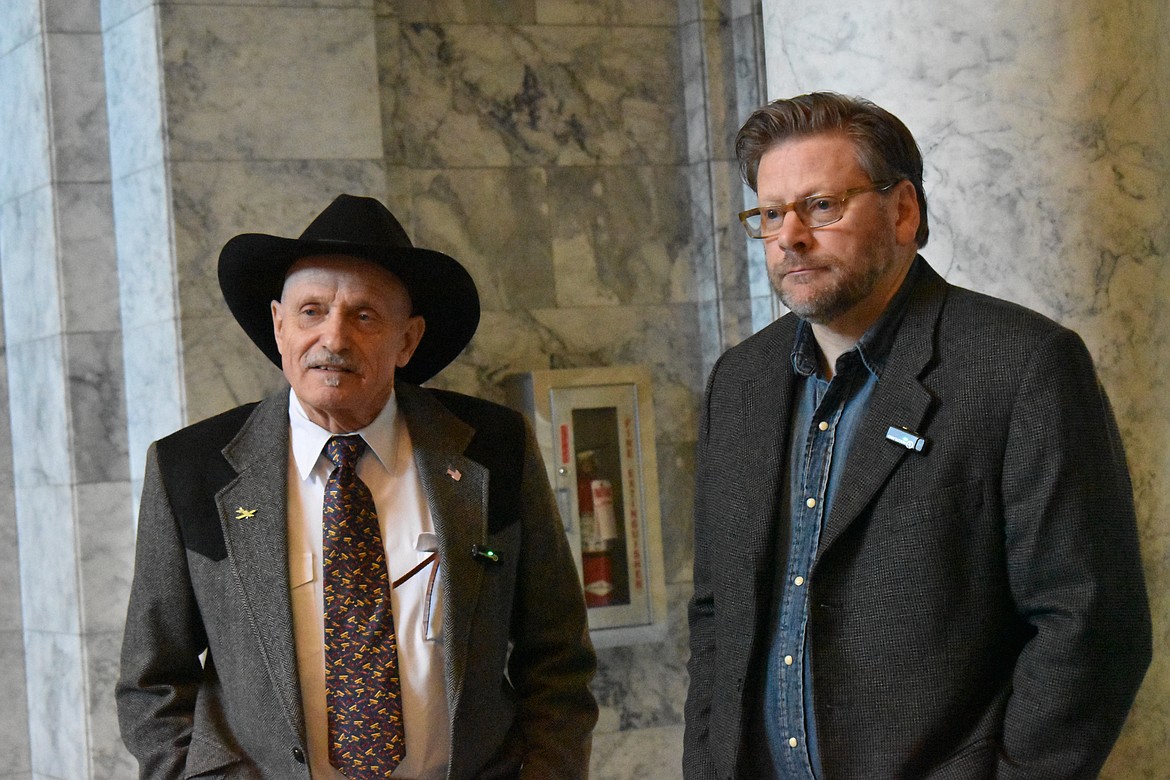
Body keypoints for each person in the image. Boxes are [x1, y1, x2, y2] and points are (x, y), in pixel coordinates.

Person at [683, 92, 1151, 779]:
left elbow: (1090, 624)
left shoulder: (1022, 366)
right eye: (770, 213)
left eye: (821, 206)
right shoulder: (740, 380)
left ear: (903, 211)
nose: (790, 237)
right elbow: (715, 613)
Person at [116, 194, 598, 779]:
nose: (334, 339)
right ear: (279, 326)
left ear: (407, 340)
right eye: (311, 312)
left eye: (364, 315)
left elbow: (557, 656)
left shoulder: (492, 450)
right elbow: (151, 681)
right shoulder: (191, 469)